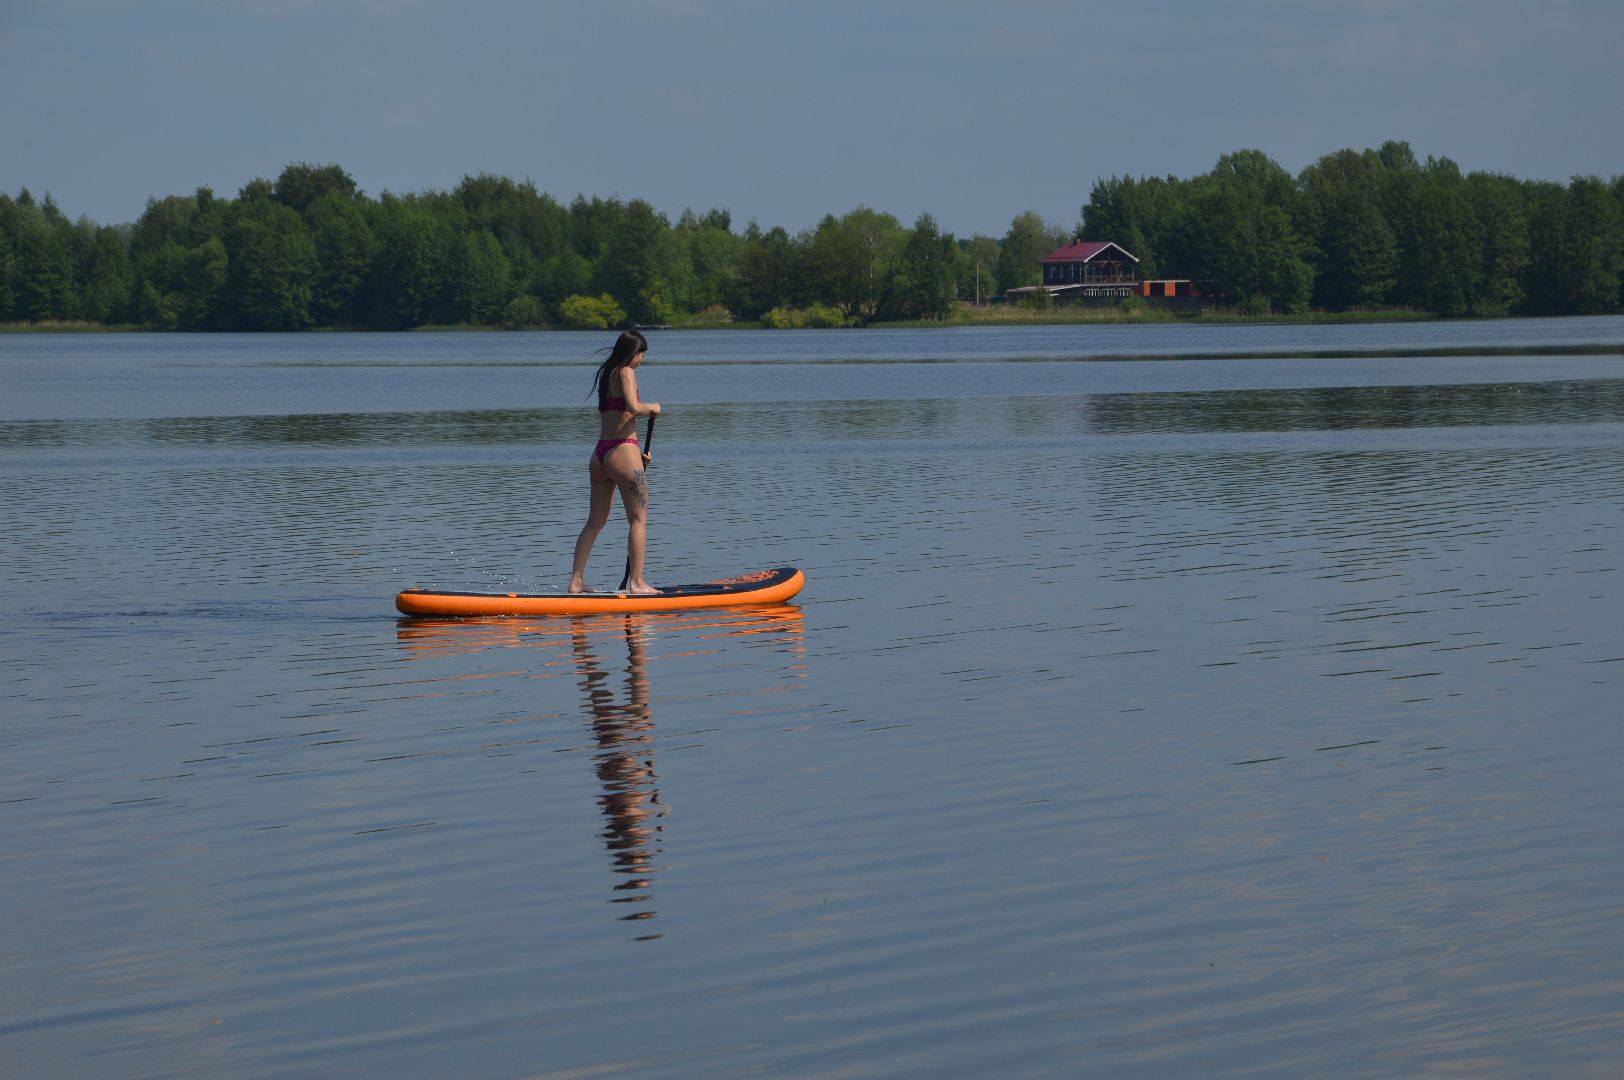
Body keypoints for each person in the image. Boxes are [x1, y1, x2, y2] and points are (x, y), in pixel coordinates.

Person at [569, 330, 661, 594]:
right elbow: (633, 407)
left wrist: (637, 459)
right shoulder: (625, 371)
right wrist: (653, 407)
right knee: (638, 519)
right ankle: (637, 583)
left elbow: (618, 414)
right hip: (623, 450)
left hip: (601, 454)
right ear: (633, 353)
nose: (642, 360)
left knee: (594, 522)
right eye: (641, 354)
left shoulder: (608, 373)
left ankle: (576, 582)